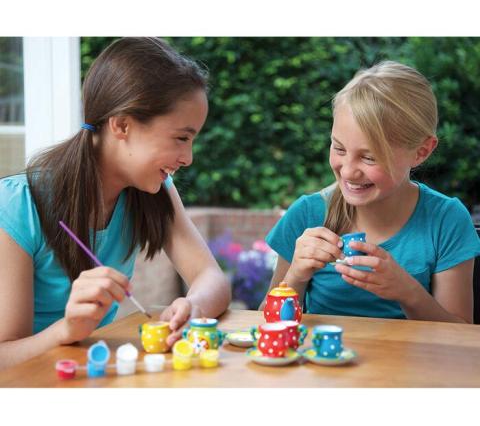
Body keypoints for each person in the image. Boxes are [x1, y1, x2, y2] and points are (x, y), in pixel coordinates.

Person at [0, 37, 231, 370]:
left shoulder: (154, 191)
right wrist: (66, 330)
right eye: (181, 137)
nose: (188, 158)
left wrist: (192, 306)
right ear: (122, 124)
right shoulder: (18, 205)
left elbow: (211, 277)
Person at [263, 61, 480, 323]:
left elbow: (462, 338)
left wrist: (408, 292)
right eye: (339, 149)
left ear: (421, 151)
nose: (348, 172)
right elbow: (268, 322)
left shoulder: (446, 220)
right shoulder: (307, 214)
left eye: (369, 158)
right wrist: (295, 276)